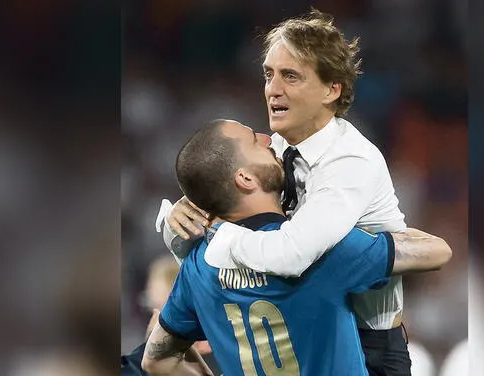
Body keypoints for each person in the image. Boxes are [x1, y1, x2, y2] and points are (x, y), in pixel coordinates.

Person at [157, 9, 435, 375]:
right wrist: (178, 216)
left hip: (367, 343)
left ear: (331, 89)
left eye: (290, 76)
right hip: (302, 319)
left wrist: (219, 238)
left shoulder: (350, 162)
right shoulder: (272, 151)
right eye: (269, 74)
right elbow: (227, 196)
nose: (273, 88)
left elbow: (292, 256)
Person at [143, 119, 451, 376]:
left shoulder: (198, 265)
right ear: (246, 178)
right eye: (254, 140)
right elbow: (438, 251)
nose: (267, 138)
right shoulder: (321, 252)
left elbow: (157, 360)